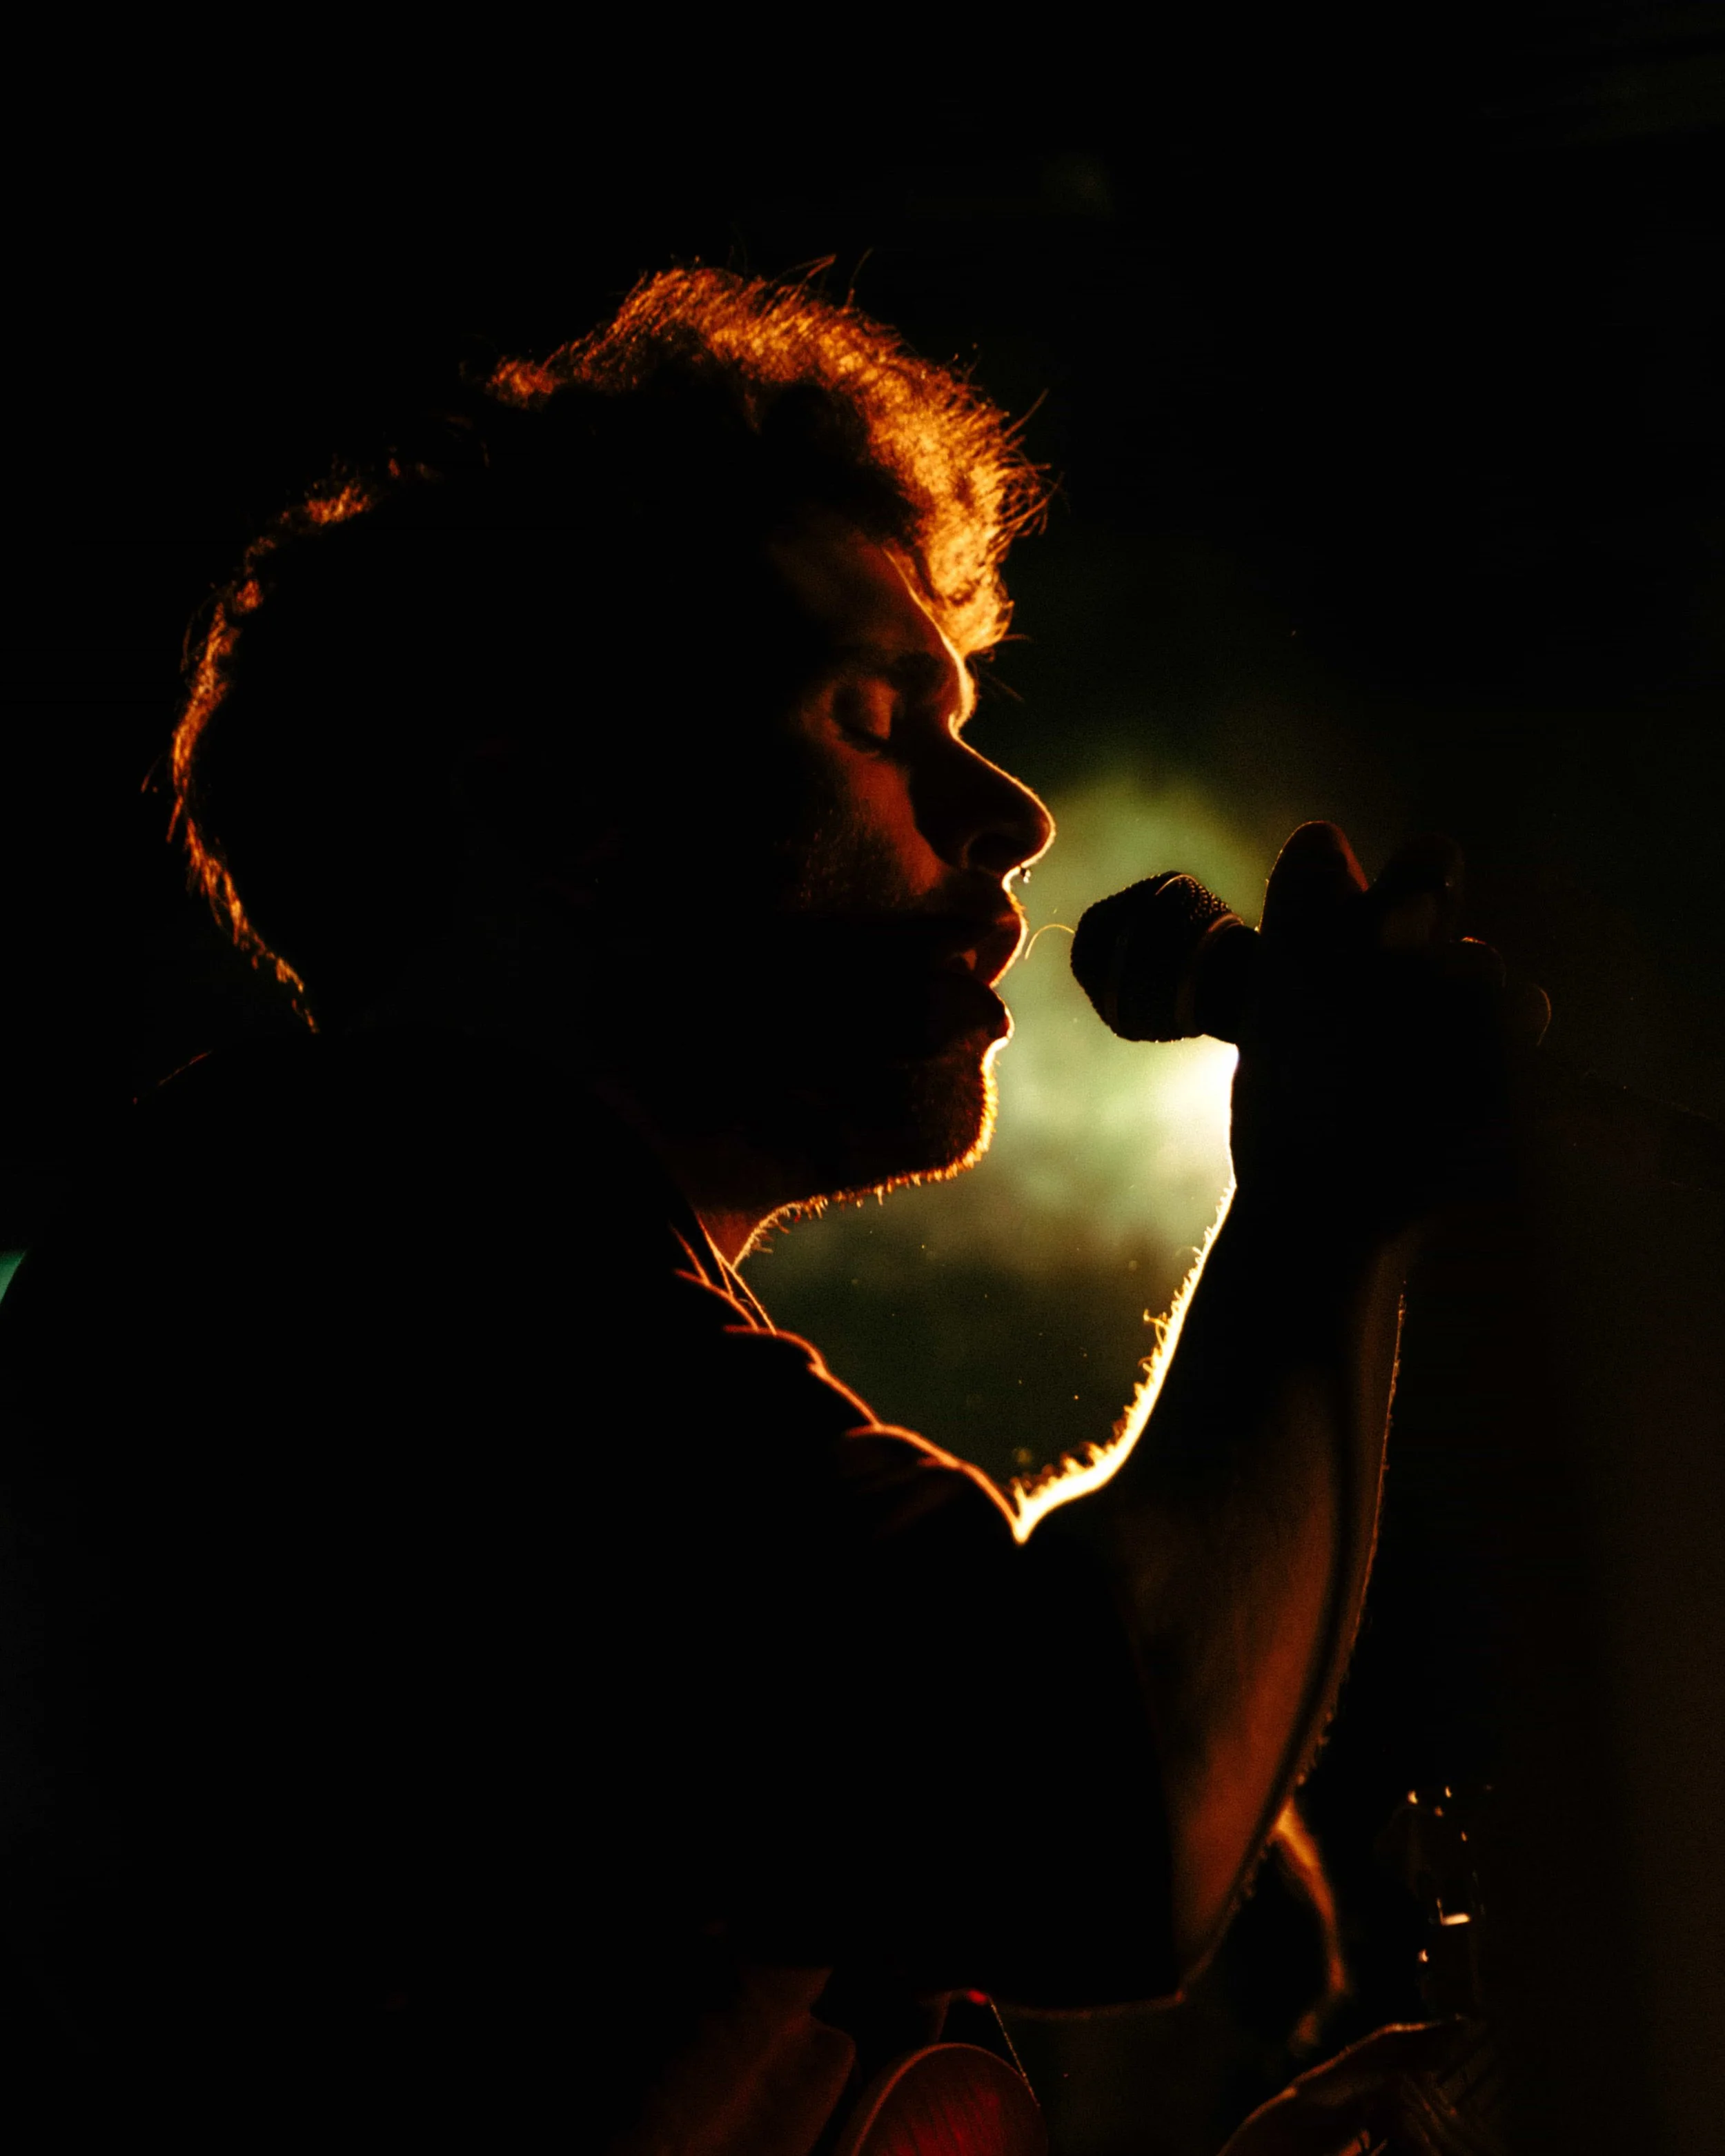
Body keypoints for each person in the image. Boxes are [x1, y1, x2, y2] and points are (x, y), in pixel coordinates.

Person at [0, 268, 1519, 2150]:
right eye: (875, 719)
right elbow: (1095, 1814)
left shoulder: (476, 1269)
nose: (1010, 818)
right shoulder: (356, 1247)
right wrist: (1326, 1189)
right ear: (570, 819)